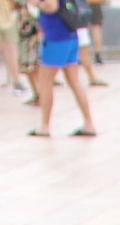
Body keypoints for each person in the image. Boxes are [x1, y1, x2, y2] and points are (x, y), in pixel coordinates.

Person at [30, 0, 94, 130]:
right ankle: (89, 122)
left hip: (55, 39)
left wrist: (36, 3)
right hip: (70, 36)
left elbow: (51, 5)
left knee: (45, 83)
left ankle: (45, 126)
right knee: (75, 82)